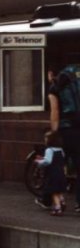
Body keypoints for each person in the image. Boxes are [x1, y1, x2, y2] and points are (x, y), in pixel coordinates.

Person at [48, 65, 80, 212]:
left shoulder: (55, 87)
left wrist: (53, 133)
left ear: (51, 74)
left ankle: (56, 201)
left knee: (56, 164)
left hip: (67, 129)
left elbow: (55, 111)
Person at [35, 130, 67, 216]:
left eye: (46, 138)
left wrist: (39, 161)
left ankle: (58, 208)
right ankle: (62, 200)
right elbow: (63, 159)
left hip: (52, 174)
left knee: (54, 192)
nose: (45, 139)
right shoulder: (61, 150)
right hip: (61, 173)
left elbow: (48, 161)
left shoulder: (49, 150)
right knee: (59, 190)